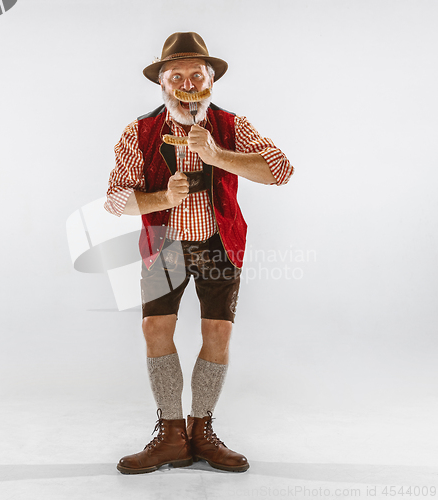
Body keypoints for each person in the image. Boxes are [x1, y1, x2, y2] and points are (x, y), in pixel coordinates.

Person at [104, 32, 294, 474]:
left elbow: (280, 170)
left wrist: (217, 154)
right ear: (162, 84)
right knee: (155, 328)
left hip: (218, 242)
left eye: (196, 75)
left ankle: (202, 430)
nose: (187, 84)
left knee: (218, 334)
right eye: (176, 76)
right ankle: (172, 434)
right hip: (165, 245)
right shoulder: (141, 131)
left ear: (211, 79)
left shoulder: (232, 126)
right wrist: (159, 200)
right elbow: (115, 199)